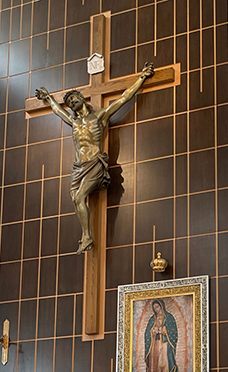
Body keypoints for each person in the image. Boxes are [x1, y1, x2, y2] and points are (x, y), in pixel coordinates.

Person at [35, 63, 154, 253]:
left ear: (82, 98)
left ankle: (86, 236)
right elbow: (58, 112)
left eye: (75, 98)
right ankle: (86, 235)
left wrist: (142, 78)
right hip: (78, 166)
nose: (72, 102)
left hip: (94, 163)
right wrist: (49, 99)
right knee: (75, 197)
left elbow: (124, 98)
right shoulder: (73, 121)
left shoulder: (99, 116)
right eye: (70, 101)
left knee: (80, 196)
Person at [143, 299, 180, 372]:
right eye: (154, 308)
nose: (156, 309)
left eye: (157, 307)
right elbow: (147, 334)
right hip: (154, 344)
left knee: (163, 363)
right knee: (154, 362)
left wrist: (164, 330)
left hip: (164, 344)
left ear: (162, 306)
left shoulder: (169, 318)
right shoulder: (152, 319)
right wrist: (153, 331)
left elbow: (173, 332)